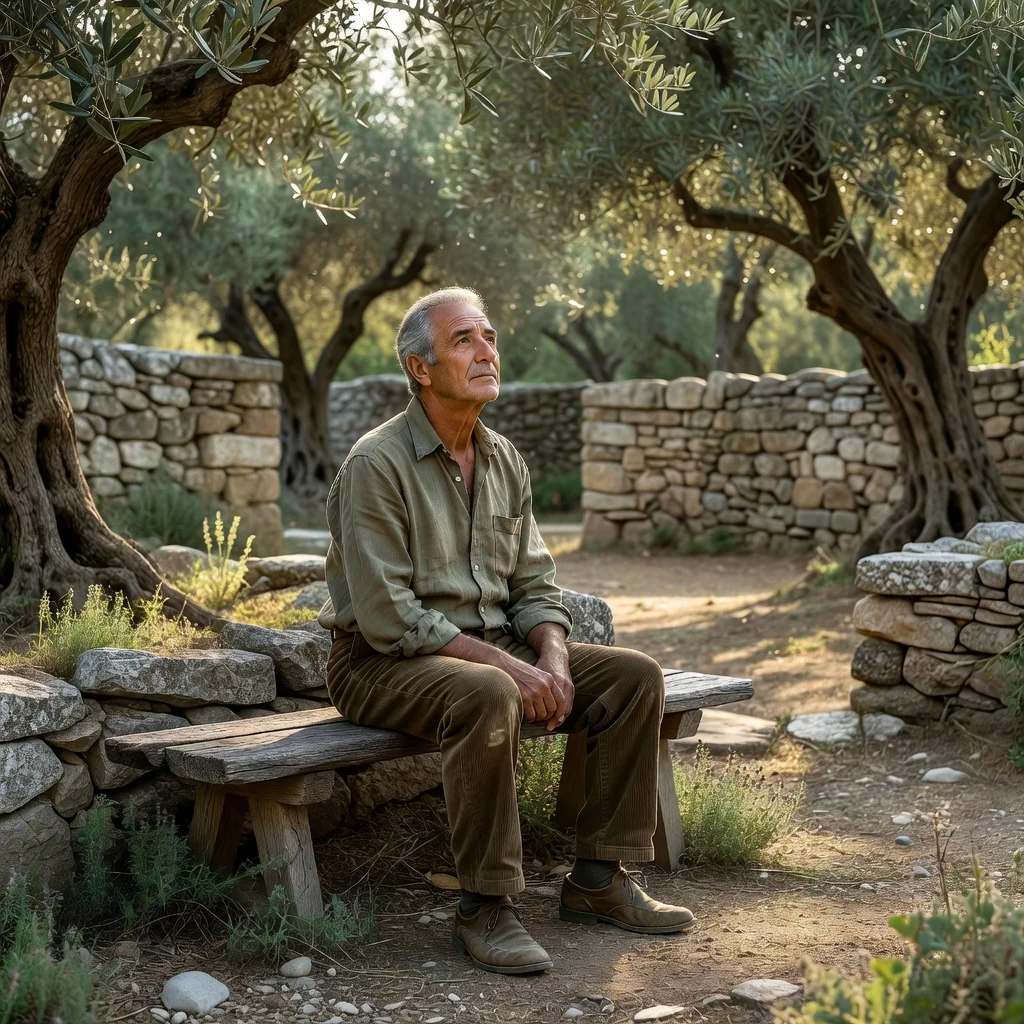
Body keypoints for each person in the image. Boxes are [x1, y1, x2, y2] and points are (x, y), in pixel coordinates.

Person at [319, 287, 695, 975]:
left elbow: (534, 586)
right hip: (378, 661)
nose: (487, 351)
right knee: (489, 691)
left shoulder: (504, 461)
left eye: (489, 337)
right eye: (464, 340)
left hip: (488, 650)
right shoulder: (376, 465)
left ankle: (597, 881)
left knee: (635, 676)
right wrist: (513, 669)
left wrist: (553, 660)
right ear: (419, 367)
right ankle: (485, 907)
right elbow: (387, 617)